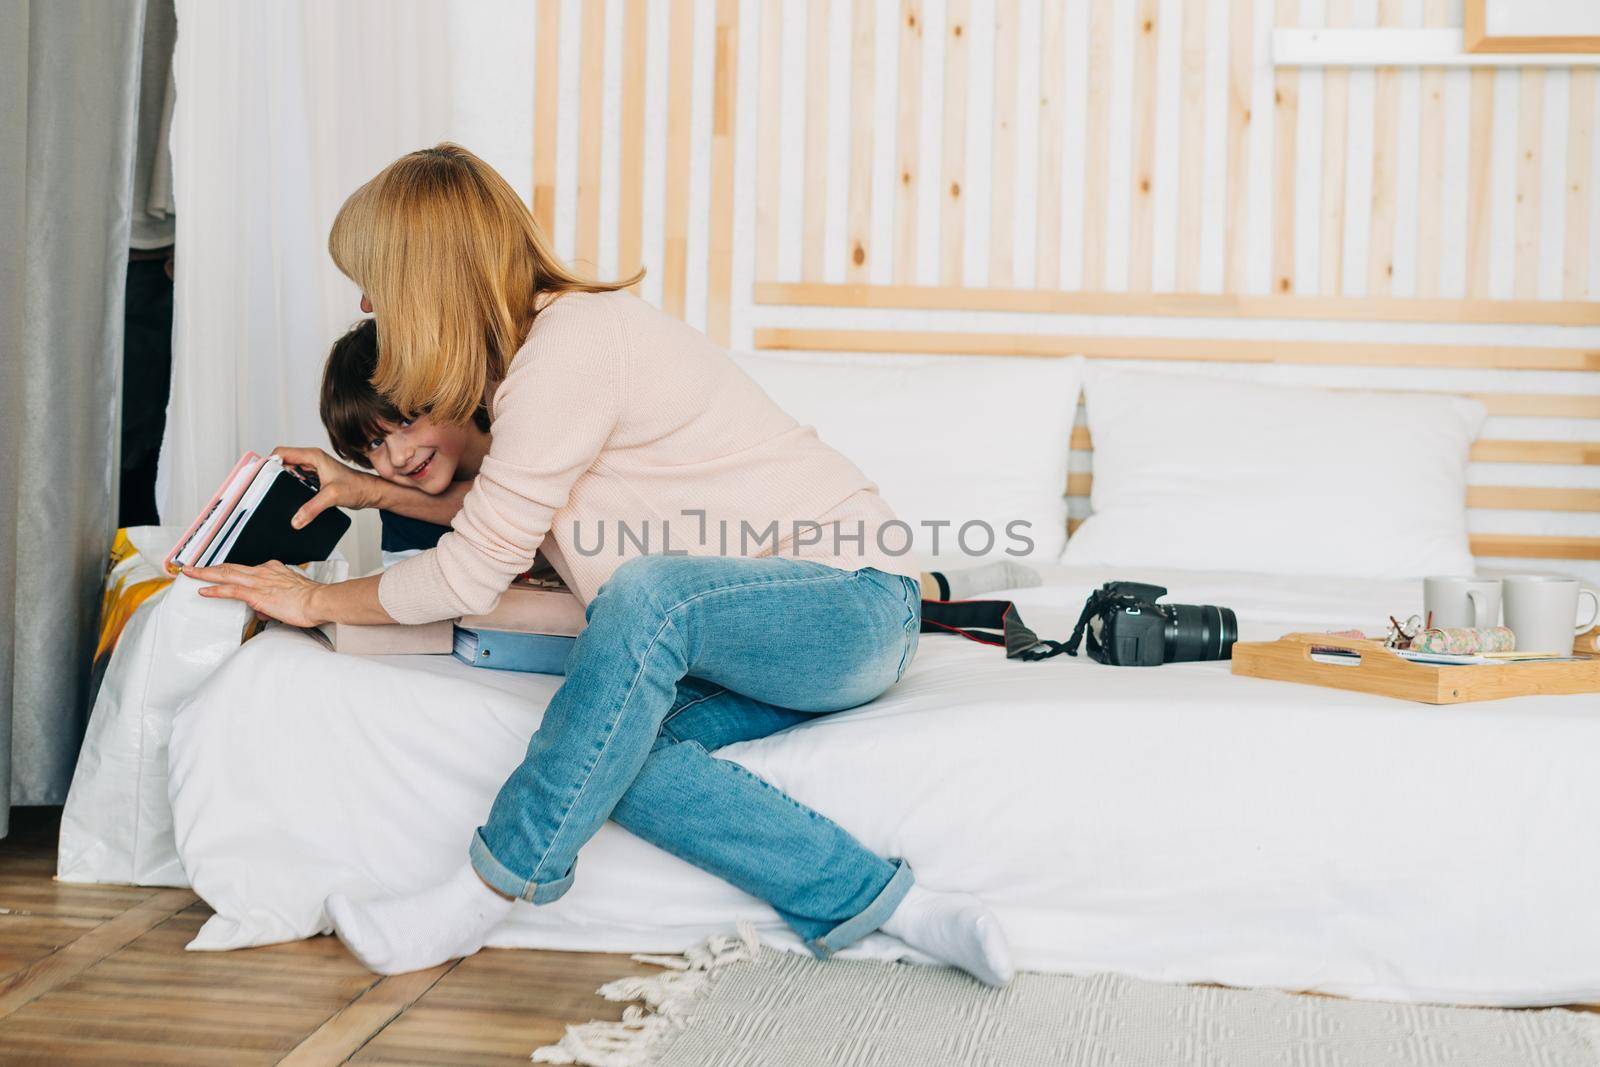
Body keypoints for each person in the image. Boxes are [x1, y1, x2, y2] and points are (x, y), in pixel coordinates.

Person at [186, 143, 1015, 986]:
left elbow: (473, 572)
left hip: (851, 607)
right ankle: (897, 909)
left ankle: (479, 891)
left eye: (373, 278)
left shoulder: (571, 348)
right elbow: (516, 518)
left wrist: (312, 599)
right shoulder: (533, 371)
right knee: (612, 755)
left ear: (427, 276)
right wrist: (373, 493)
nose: (365, 302)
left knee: (646, 595)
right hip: (747, 638)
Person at [287, 316, 1045, 593]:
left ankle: (958, 581)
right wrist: (362, 490)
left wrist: (324, 583)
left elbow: (489, 527)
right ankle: (948, 583)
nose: (395, 457)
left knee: (915, 588)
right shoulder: (474, 475)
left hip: (757, 548)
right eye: (371, 449)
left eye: (404, 423)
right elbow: (477, 511)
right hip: (688, 570)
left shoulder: (548, 399)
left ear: (445, 384)